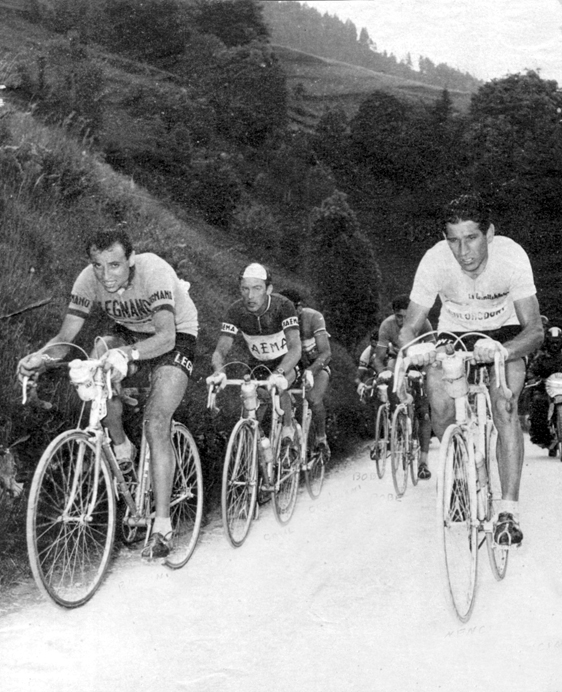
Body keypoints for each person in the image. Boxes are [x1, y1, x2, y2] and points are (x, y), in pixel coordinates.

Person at [17, 229, 198, 560]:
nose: (105, 275)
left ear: (130, 260)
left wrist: (128, 356)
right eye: (98, 266)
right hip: (129, 332)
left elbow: (165, 336)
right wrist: (41, 358)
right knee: (97, 356)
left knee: (156, 421)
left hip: (174, 337)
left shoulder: (153, 270)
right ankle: (121, 447)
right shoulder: (88, 279)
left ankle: (161, 524)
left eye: (114, 265)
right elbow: (65, 335)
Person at [399, 194, 543, 546]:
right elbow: (409, 327)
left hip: (505, 333)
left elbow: (535, 330)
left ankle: (508, 512)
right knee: (440, 399)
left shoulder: (512, 257)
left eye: (471, 238)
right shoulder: (435, 261)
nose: (463, 251)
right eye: (453, 239)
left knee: (504, 403)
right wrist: (416, 349)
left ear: (489, 233)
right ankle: (459, 471)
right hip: (454, 334)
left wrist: (504, 350)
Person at [207, 263, 301, 450]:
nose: (250, 296)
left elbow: (295, 347)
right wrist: (219, 370)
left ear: (269, 289)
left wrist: (280, 372)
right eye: (245, 289)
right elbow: (221, 350)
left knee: (279, 386)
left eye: (257, 288)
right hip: (257, 364)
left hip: (285, 362)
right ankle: (258, 451)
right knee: (248, 413)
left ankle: (288, 428)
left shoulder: (283, 306)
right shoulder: (236, 311)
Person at [374, 294, 435, 479]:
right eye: (398, 316)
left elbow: (432, 350)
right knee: (391, 371)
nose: (402, 321)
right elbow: (378, 357)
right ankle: (396, 418)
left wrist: (423, 371)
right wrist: (382, 372)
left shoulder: (423, 323)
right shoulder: (387, 325)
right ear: (393, 314)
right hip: (398, 360)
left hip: (419, 363)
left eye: (406, 316)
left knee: (423, 410)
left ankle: (423, 462)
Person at [279, 288, 332, 460]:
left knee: (314, 398)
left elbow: (326, 353)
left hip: (315, 366)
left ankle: (321, 438)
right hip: (294, 367)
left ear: (299, 308)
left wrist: (311, 370)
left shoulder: (313, 318)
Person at [528, 326, 562, 452]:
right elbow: (531, 371)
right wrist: (535, 380)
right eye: (552, 342)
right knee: (538, 403)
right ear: (547, 342)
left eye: (557, 342)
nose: (555, 345)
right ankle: (544, 439)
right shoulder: (540, 356)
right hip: (544, 388)